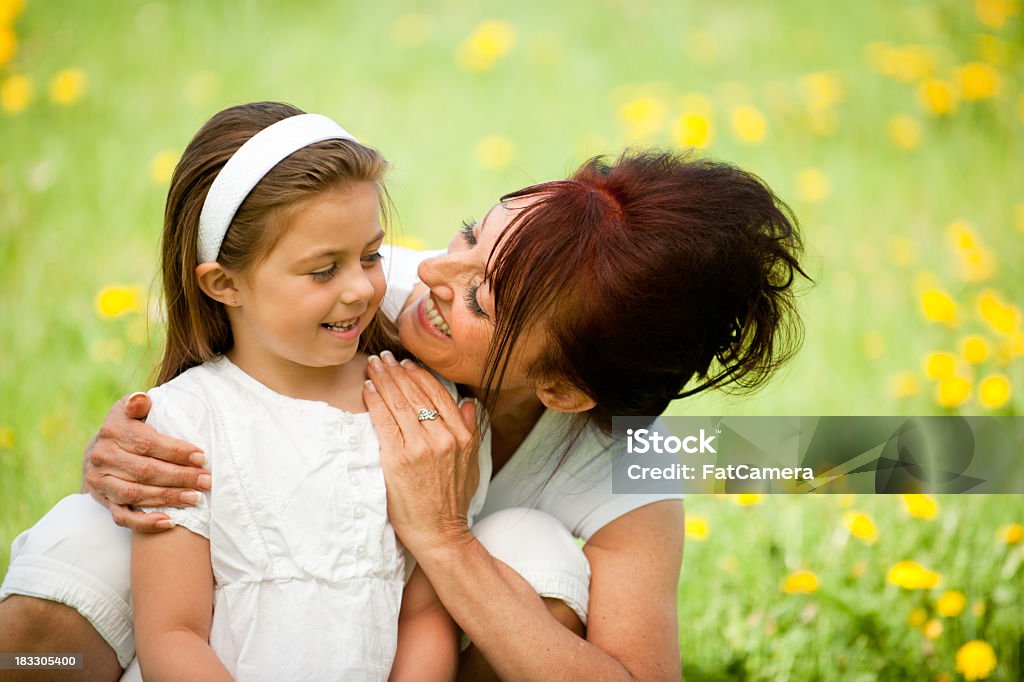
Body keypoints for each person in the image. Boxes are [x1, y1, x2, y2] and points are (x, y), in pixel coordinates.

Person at [0, 144, 807, 680]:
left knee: (529, 556)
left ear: (564, 390)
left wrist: (443, 539)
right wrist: (126, 442)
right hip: (234, 622)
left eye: (483, 295)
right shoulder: (369, 293)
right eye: (468, 235)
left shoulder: (635, 455)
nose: (434, 274)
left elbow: (836, 454)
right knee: (80, 543)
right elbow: (214, 407)